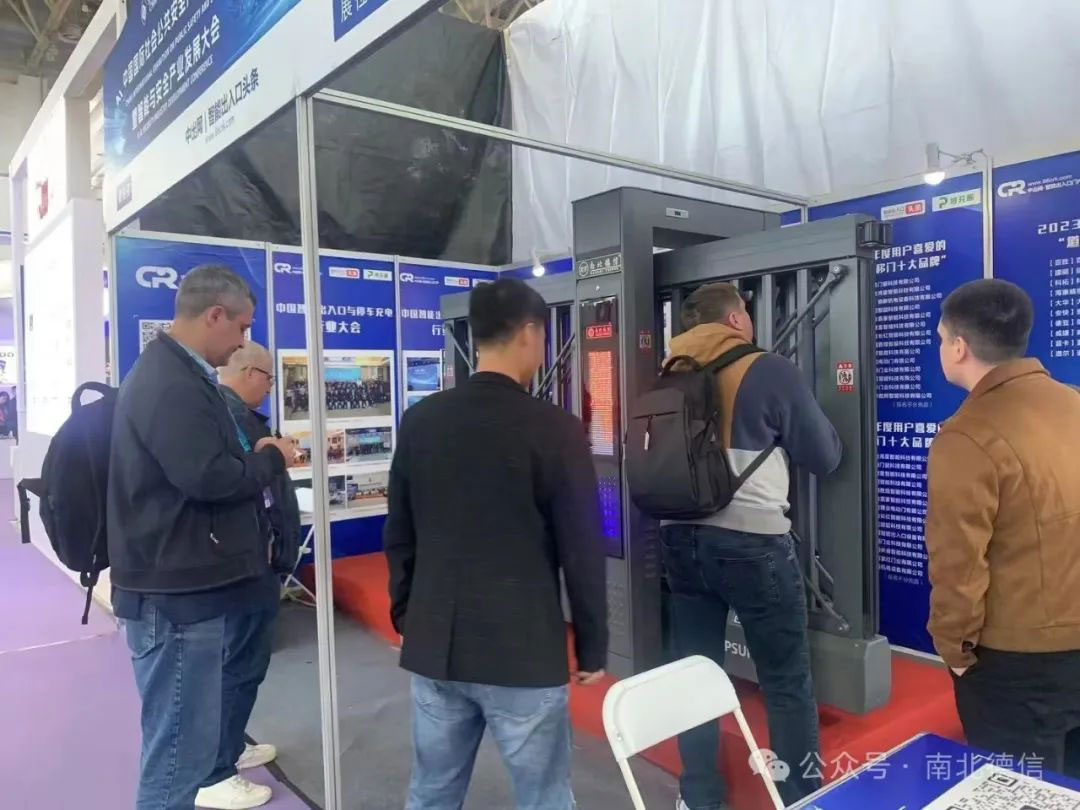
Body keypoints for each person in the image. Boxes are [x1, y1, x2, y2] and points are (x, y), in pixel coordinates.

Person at [384, 278, 607, 810]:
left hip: (436, 644)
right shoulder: (555, 429)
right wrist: (592, 646)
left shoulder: (421, 421)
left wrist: (407, 615)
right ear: (529, 333)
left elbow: (400, 533)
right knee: (545, 798)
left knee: (431, 792)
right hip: (521, 651)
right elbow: (581, 549)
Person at [108, 264, 299, 810]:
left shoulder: (179, 376)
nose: (242, 341)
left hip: (184, 587)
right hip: (174, 597)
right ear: (215, 314)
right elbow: (209, 477)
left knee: (186, 749)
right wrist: (267, 459)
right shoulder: (171, 383)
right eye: (241, 327)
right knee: (177, 758)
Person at [661, 282, 842, 809]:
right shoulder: (768, 369)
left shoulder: (668, 373)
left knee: (696, 672)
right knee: (785, 679)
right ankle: (798, 798)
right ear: (736, 320)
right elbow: (824, 455)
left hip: (679, 539)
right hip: (752, 543)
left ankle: (697, 796)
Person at [926, 279, 1080, 777]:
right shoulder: (1074, 403)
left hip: (1017, 664)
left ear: (959, 347)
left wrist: (955, 649)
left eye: (941, 338)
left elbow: (958, 563)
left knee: (1018, 788)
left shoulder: (967, 435)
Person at [209, 341, 303, 801]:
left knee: (241, 663)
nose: (269, 387)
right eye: (268, 378)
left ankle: (227, 747)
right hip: (249, 564)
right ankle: (214, 770)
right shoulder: (231, 419)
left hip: (251, 560)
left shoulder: (232, 416)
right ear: (250, 373)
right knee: (239, 665)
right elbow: (242, 486)